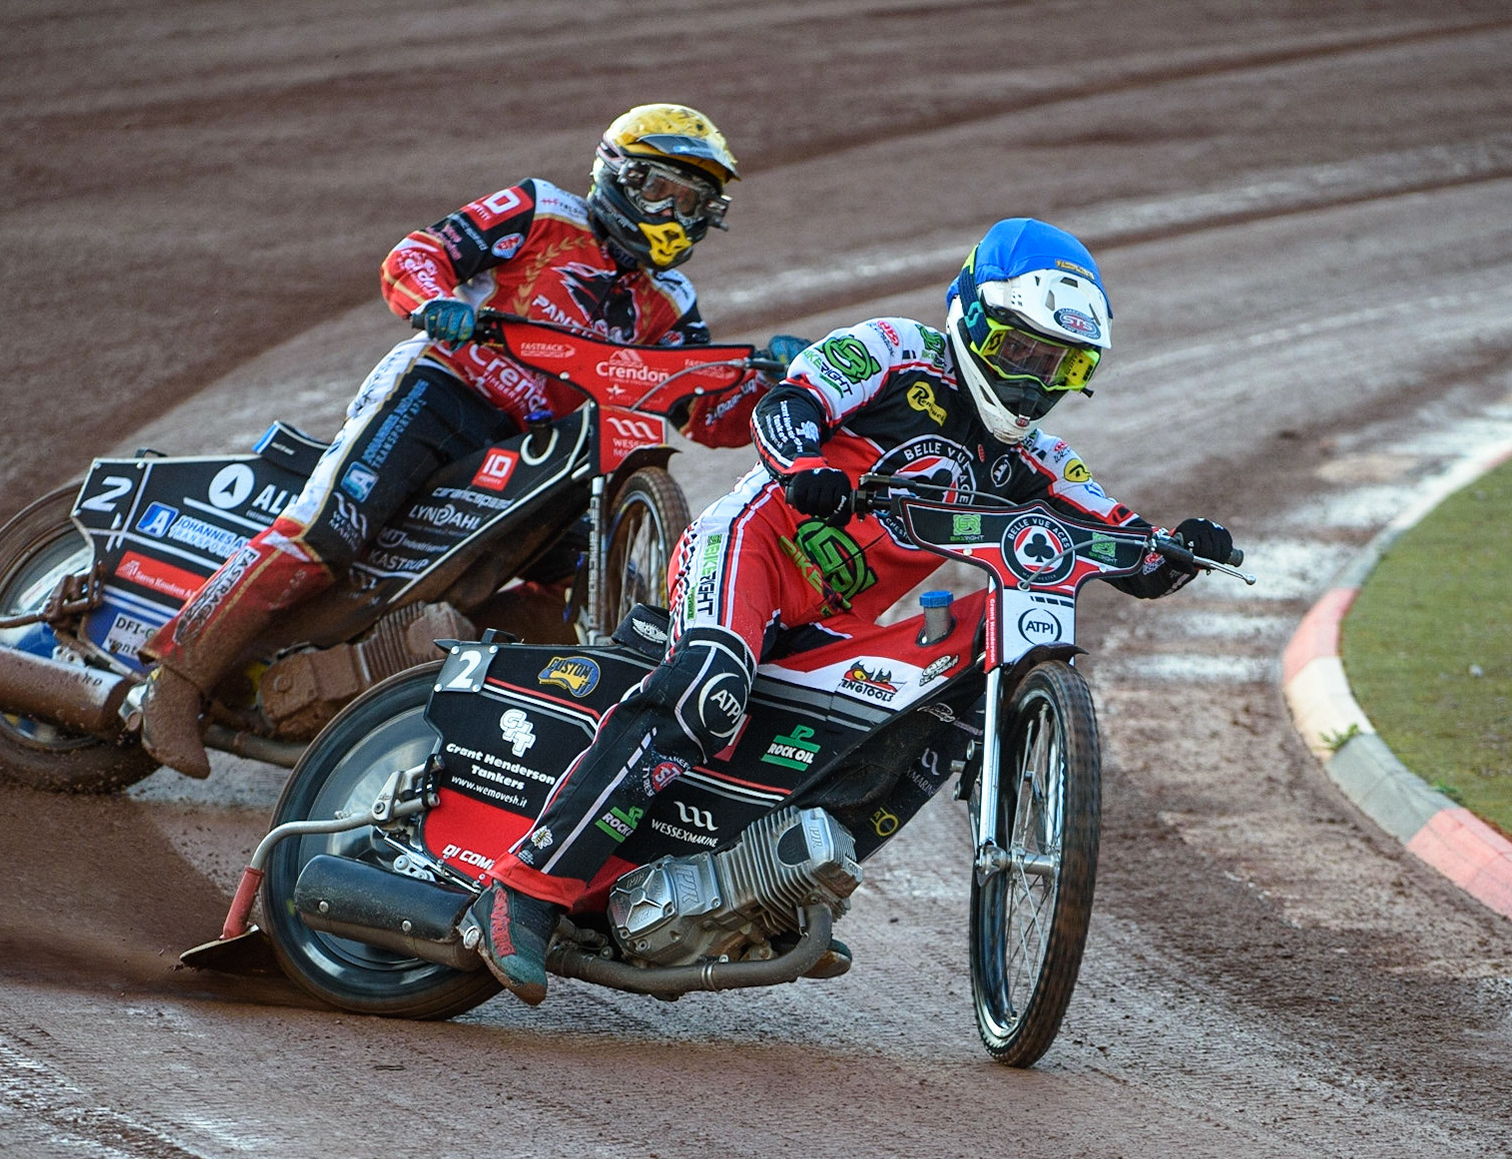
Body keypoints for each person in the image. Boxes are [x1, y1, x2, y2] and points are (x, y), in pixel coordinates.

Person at [464, 217, 1236, 1005]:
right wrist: (804, 465)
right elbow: (787, 403)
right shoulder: (895, 350)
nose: (1035, 381)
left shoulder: (1037, 457)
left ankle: (770, 886)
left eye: (1061, 364)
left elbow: (1124, 540)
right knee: (711, 687)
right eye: (1021, 352)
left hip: (837, 622)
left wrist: (1178, 549)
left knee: (937, 687)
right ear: (971, 318)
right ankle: (523, 891)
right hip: (753, 551)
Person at [138, 104, 801, 778]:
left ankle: (413, 670)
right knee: (327, 532)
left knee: (578, 603)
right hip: (442, 393)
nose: (674, 215)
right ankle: (174, 680)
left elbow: (700, 411)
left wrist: (780, 388)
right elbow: (417, 254)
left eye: (693, 202)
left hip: (540, 452)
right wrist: (434, 301)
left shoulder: (672, 300)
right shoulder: (542, 211)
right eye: (661, 190)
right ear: (619, 175)